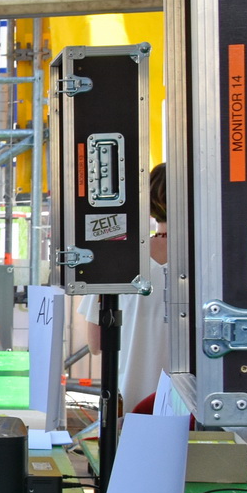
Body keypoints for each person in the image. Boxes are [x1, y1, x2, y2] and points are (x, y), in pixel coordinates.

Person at [80, 163, 171, 412]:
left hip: (128, 405)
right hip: (189, 407)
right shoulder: (208, 261)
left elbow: (95, 344)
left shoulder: (118, 257)